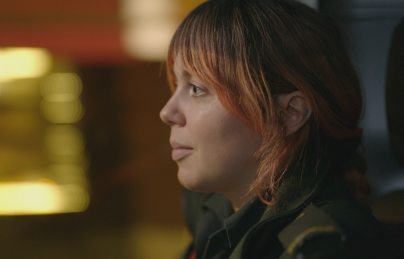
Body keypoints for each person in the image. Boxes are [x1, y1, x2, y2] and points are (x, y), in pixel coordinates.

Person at [159, 0, 397, 258]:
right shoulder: (215, 216)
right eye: (175, 83)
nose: (167, 113)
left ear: (290, 113)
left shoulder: (324, 248)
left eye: (196, 88)